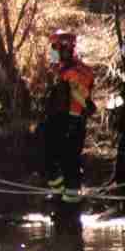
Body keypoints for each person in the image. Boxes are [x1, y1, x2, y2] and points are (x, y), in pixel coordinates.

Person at [43, 30, 95, 203]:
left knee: (69, 159)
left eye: (54, 47)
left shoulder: (75, 72)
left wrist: (85, 105)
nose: (52, 51)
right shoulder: (62, 68)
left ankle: (70, 200)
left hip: (73, 121)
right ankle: (59, 192)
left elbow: (80, 95)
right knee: (49, 153)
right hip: (61, 119)